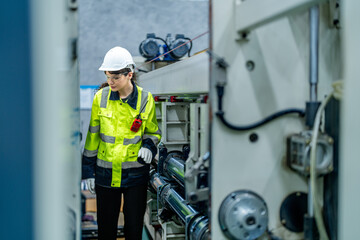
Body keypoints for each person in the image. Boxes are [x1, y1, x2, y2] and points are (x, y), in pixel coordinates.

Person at [82, 46, 161, 240]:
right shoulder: (100, 98)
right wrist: (88, 172)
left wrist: (149, 147)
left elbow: (152, 132)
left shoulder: (145, 99)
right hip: (105, 174)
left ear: (129, 74)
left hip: (135, 175)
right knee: (106, 228)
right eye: (108, 76)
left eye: (115, 77)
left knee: (133, 228)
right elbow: (92, 137)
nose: (110, 82)